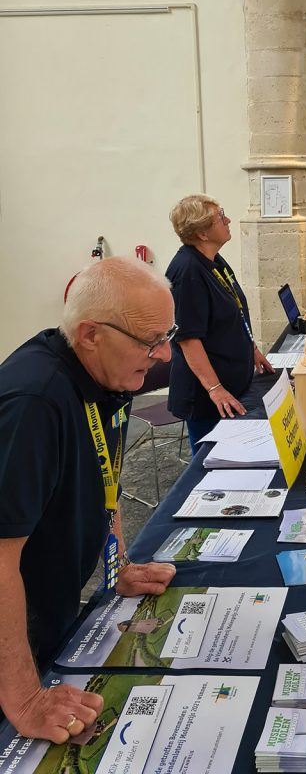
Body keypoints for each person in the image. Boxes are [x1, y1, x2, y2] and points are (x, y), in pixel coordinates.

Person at [0, 257, 177, 743]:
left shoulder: (103, 377)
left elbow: (107, 481)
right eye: (149, 340)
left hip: (49, 607)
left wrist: (118, 566)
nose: (162, 355)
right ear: (90, 334)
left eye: (168, 334)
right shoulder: (34, 402)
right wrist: (23, 698)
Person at [166, 194, 274, 452]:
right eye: (220, 217)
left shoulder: (213, 260)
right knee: (212, 458)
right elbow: (188, 339)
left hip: (234, 383)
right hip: (208, 397)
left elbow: (233, 312)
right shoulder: (187, 271)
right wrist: (215, 389)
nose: (228, 220)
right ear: (203, 233)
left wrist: (252, 349)